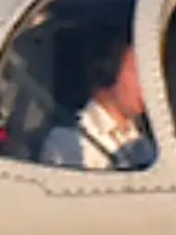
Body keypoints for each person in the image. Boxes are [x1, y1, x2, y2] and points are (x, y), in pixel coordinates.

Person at [40, 35, 156, 172]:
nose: (146, 84)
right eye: (137, 72)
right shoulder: (68, 141)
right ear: (109, 70)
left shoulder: (142, 139)